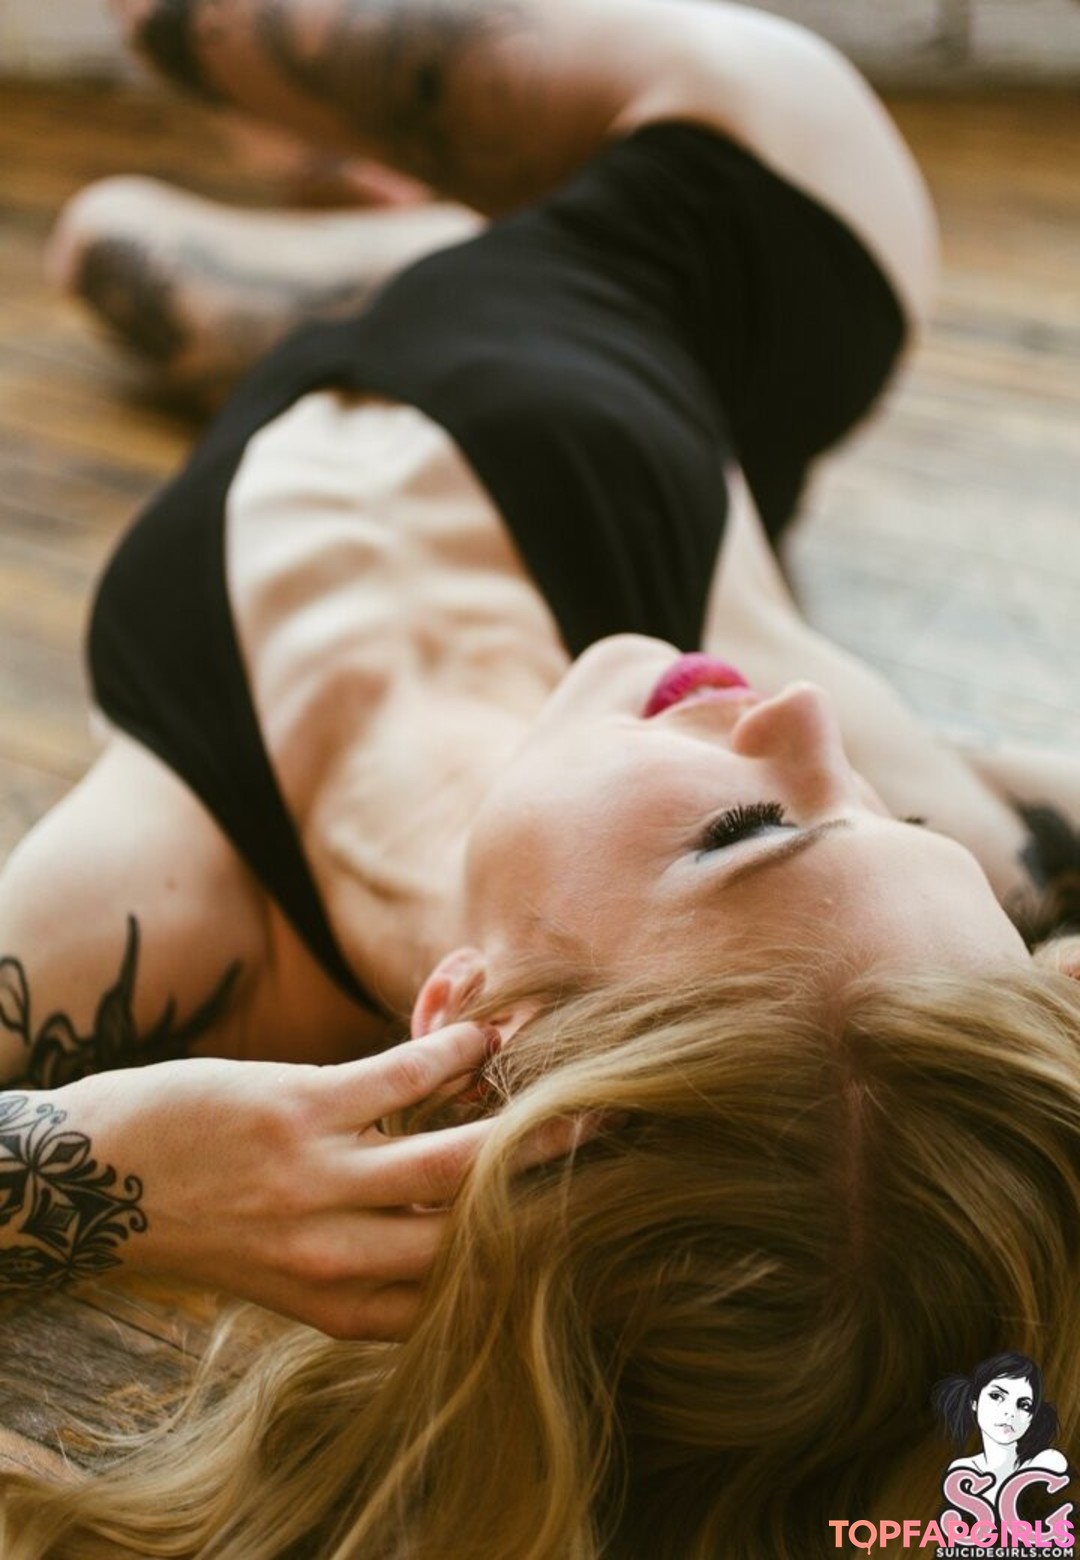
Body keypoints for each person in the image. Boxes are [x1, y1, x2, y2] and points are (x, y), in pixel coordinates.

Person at [1, 0, 1080, 1553]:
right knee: (184, 23)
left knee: (106, 240)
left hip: (394, 353)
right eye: (903, 825)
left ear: (474, 1019)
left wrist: (115, 1169)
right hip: (685, 278)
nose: (804, 719)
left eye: (747, 831)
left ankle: (378, 248)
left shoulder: (164, 923)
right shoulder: (919, 886)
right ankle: (393, 227)